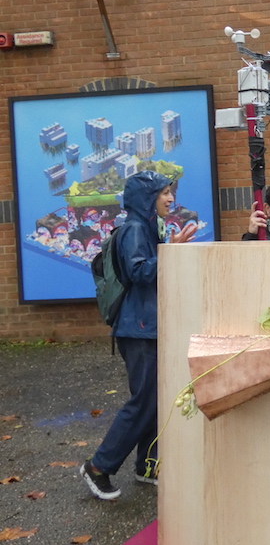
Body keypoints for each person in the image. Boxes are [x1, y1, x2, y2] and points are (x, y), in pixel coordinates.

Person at [80, 171, 197, 501]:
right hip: (138, 329)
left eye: (170, 193)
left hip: (147, 326)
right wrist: (170, 251)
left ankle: (148, 465)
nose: (171, 199)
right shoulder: (133, 228)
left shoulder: (144, 226)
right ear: (147, 198)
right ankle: (99, 467)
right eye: (164, 194)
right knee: (143, 400)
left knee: (156, 399)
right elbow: (140, 271)